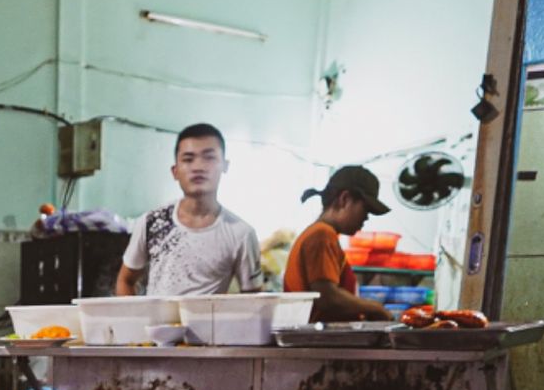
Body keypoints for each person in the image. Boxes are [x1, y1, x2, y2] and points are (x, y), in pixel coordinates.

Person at [115, 123, 262, 298]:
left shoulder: (241, 233)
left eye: (209, 157)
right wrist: (135, 322)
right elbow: (125, 280)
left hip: (211, 326)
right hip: (156, 325)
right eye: (188, 159)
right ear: (175, 171)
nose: (198, 167)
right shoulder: (152, 222)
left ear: (225, 165)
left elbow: (254, 300)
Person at [284, 166, 393, 323]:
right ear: (345, 199)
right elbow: (327, 297)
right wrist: (375, 308)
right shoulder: (321, 235)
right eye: (365, 209)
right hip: (318, 342)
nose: (366, 218)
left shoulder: (319, 233)